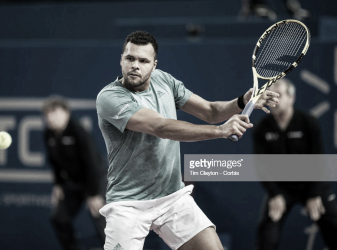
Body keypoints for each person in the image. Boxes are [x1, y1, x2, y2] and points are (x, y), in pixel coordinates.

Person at [96, 31, 279, 250]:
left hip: (172, 197)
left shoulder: (164, 80)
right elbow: (160, 127)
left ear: (154, 65)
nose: (135, 65)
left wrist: (242, 101)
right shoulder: (109, 98)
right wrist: (219, 131)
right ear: (121, 60)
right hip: (128, 204)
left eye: (143, 60)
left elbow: (210, 111)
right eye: (130, 58)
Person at [253, 78, 337, 250]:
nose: (274, 101)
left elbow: (318, 160)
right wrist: (274, 195)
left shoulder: (309, 123)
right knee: (267, 236)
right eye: (270, 97)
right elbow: (261, 166)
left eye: (279, 95)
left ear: (291, 98)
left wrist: (313, 194)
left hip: (312, 185)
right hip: (281, 189)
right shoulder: (261, 128)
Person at [42, 96, 107, 250]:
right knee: (59, 219)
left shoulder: (78, 131)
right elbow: (55, 163)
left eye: (55, 113)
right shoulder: (48, 134)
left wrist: (94, 194)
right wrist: (58, 185)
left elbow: (92, 164)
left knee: (100, 221)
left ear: (66, 113)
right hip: (72, 184)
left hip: (95, 181)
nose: (50, 118)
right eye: (47, 114)